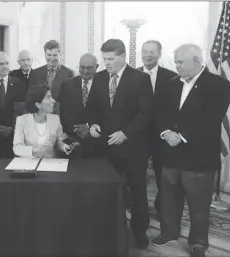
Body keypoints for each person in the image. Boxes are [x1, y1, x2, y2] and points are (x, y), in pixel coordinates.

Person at [152, 44, 230, 257]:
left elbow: (212, 118)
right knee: (169, 199)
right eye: (175, 62)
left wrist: (182, 136)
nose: (176, 66)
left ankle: (198, 242)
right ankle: (168, 232)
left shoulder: (218, 85)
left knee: (198, 204)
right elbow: (159, 113)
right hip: (169, 152)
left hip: (199, 157)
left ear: (196, 61)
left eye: (180, 62)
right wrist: (166, 132)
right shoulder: (170, 84)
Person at [87, 39, 154, 250]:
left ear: (122, 56)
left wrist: (125, 133)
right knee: (108, 191)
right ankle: (109, 229)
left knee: (137, 192)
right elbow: (91, 108)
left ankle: (139, 233)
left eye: (110, 58)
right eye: (104, 59)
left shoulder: (140, 78)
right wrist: (93, 124)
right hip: (106, 149)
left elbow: (146, 113)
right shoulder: (98, 79)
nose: (106, 63)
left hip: (133, 149)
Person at [137, 40, 178, 224]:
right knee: (137, 175)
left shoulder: (172, 77)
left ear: (160, 54)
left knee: (163, 176)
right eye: (145, 52)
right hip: (138, 135)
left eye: (152, 52)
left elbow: (174, 108)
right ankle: (138, 207)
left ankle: (163, 209)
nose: (148, 55)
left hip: (163, 136)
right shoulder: (132, 75)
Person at [13, 84, 77, 158]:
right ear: (38, 104)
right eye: (48, 97)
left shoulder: (55, 119)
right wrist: (33, 150)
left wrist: (65, 147)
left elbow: (59, 141)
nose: (53, 101)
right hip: (28, 164)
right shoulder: (22, 120)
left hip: (49, 164)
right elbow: (17, 147)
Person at [59, 53, 103, 158]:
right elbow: (64, 112)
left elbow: (106, 112)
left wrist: (89, 127)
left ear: (96, 67)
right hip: (73, 141)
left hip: (97, 142)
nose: (85, 71)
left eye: (89, 68)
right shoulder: (67, 85)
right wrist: (76, 130)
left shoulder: (104, 84)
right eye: (82, 67)